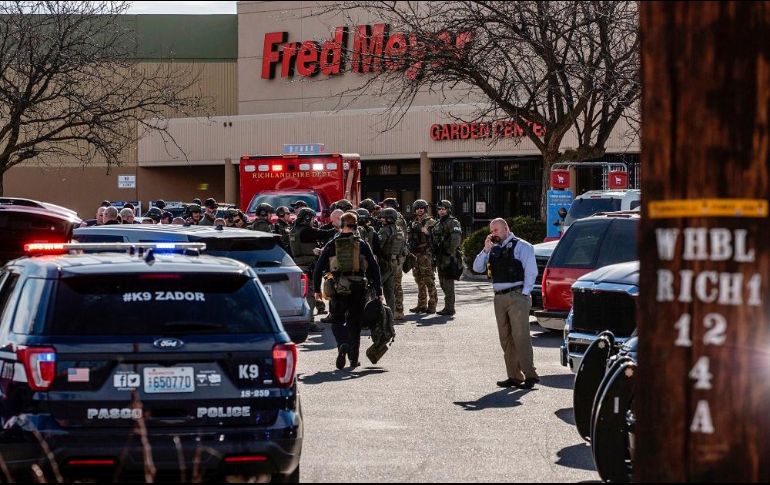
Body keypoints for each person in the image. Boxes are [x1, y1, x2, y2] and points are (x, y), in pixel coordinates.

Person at [473, 218, 539, 389]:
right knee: (505, 338)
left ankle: (530, 375)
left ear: (506, 229)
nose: (493, 234)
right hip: (499, 297)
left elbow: (531, 271)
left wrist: (524, 294)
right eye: (491, 231)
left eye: (496, 230)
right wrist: (485, 249)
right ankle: (513, 376)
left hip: (517, 295)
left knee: (521, 336)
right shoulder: (493, 249)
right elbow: (477, 268)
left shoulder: (522, 246)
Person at [313, 212, 383, 370]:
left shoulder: (332, 243)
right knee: (355, 323)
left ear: (341, 224)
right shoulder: (362, 244)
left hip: (338, 287)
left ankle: (342, 343)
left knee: (337, 320)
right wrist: (379, 290)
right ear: (356, 225)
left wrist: (316, 289)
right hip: (359, 287)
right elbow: (374, 267)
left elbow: (318, 268)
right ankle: (353, 359)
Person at [289, 207, 337, 331]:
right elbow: (322, 234)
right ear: (307, 218)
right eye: (312, 218)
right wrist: (337, 228)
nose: (313, 221)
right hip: (308, 265)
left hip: (297, 265)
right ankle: (309, 322)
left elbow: (318, 231)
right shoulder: (306, 231)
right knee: (309, 294)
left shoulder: (294, 231)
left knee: (299, 295)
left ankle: (299, 320)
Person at [431, 200, 463, 316]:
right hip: (440, 257)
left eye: (443, 209)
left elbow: (456, 240)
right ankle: (448, 306)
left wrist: (449, 252)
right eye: (439, 209)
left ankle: (450, 308)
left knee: (448, 283)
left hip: (449, 257)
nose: (441, 211)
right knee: (443, 282)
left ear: (448, 210)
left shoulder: (453, 222)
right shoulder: (438, 223)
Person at [408, 200, 437, 314]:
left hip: (426, 254)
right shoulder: (413, 222)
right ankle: (421, 305)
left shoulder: (430, 222)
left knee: (428, 279)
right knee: (419, 279)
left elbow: (436, 237)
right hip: (416, 254)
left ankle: (432, 304)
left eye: (422, 208)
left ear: (425, 209)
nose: (420, 210)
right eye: (417, 208)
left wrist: (428, 232)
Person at [380, 198, 408, 319]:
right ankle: (396, 311)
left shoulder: (386, 229)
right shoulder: (399, 228)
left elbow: (379, 245)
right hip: (397, 259)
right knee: (394, 287)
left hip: (386, 262)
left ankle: (390, 313)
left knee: (382, 287)